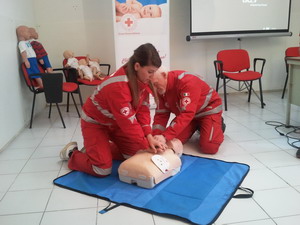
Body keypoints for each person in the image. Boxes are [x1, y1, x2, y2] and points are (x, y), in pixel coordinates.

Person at [60, 43, 166, 177]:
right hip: (96, 123)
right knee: (102, 169)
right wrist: (147, 143)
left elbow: (143, 111)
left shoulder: (142, 79)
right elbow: (129, 124)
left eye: (153, 72)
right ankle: (72, 153)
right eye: (150, 72)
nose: (151, 76)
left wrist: (149, 136)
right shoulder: (118, 86)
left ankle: (94, 149)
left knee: (135, 154)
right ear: (137, 66)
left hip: (115, 123)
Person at [150, 67, 225, 154]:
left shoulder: (187, 82)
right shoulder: (161, 88)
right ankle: (197, 125)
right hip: (188, 115)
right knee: (172, 140)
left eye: (155, 84)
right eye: (151, 85)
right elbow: (161, 114)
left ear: (164, 75)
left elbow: (187, 114)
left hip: (207, 111)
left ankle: (218, 124)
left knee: (209, 147)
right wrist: (156, 136)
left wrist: (165, 136)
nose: (154, 89)